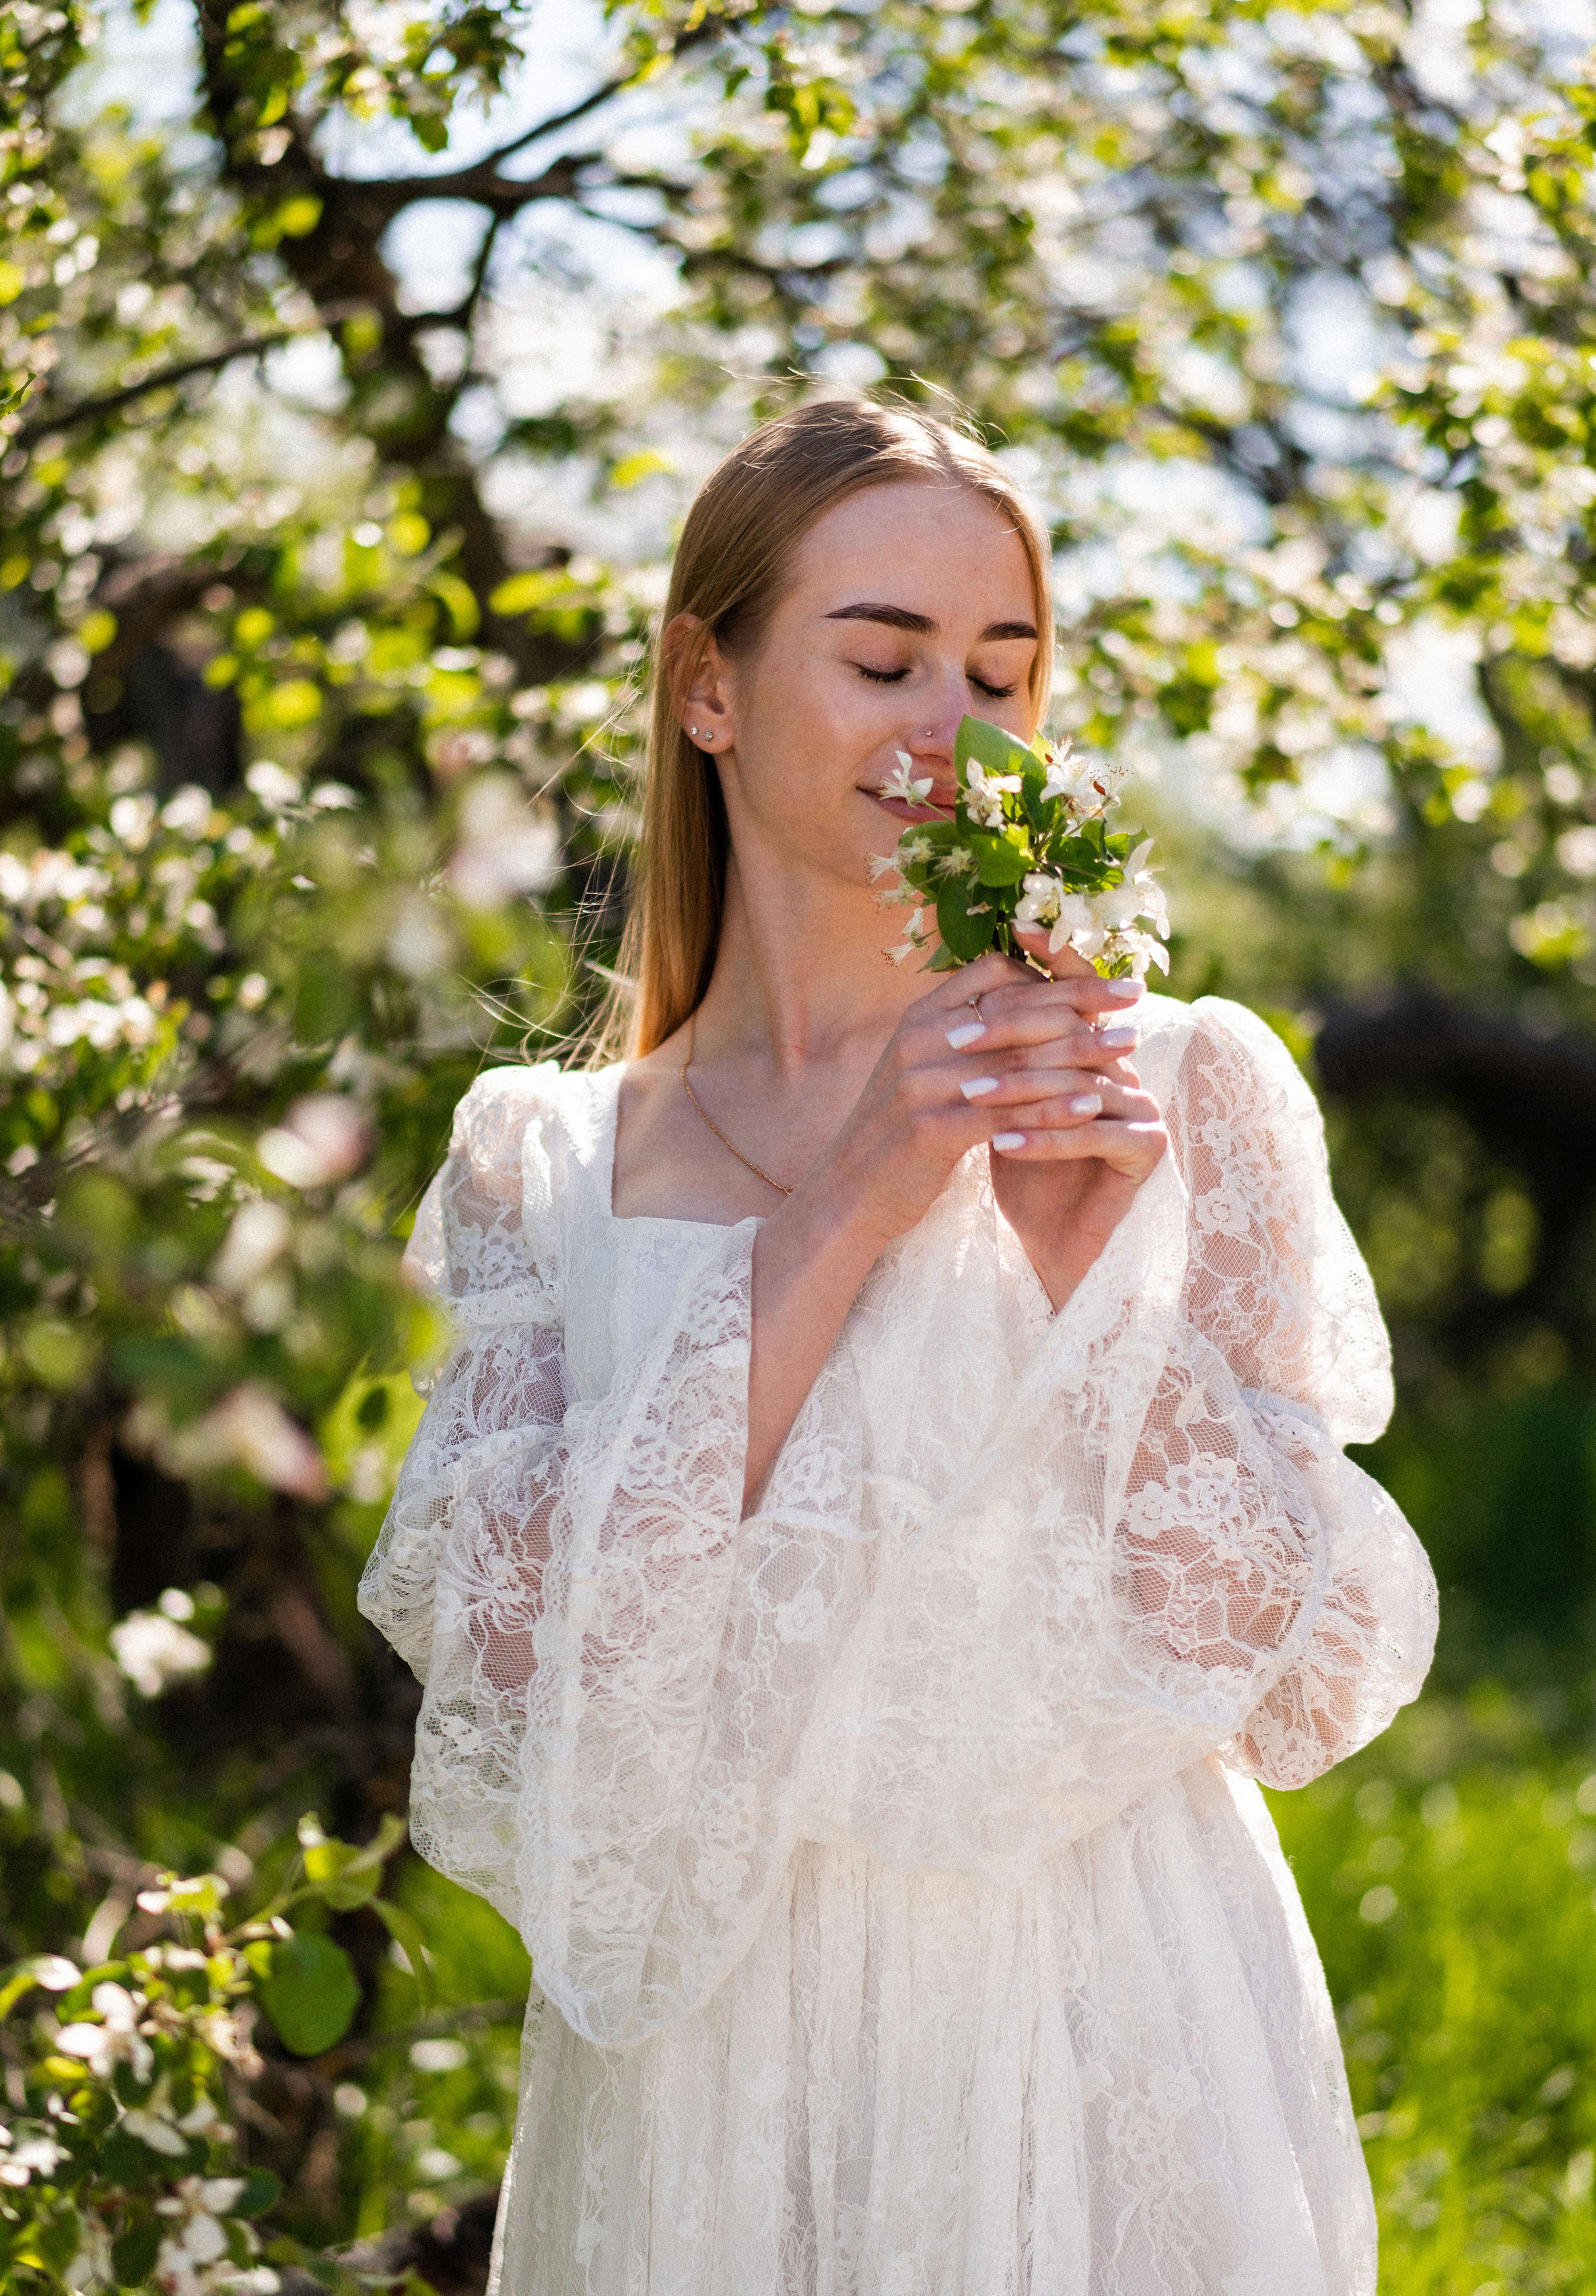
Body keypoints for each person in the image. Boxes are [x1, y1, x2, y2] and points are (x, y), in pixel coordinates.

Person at [359, 397, 1438, 2296]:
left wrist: (1090, 1279)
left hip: (1106, 2038)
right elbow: (519, 1659)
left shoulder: (1169, 1086)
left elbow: (1303, 1667)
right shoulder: (543, 1163)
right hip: (706, 2079)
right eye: (884, 660)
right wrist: (852, 1195)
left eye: (999, 673)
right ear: (707, 686)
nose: (954, 725)